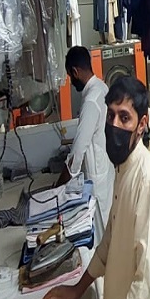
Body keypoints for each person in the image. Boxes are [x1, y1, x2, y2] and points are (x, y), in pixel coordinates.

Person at [42, 77, 150, 299]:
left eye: (124, 118)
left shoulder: (147, 181)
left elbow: (145, 276)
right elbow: (110, 240)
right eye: (111, 116)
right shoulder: (123, 168)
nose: (114, 125)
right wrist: (78, 289)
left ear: (141, 125)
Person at [58, 46, 114, 224]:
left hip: (97, 175)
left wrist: (57, 187)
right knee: (109, 221)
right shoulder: (102, 87)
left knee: (101, 227)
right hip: (106, 166)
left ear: (75, 72)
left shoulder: (90, 101)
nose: (71, 82)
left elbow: (77, 152)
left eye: (70, 76)